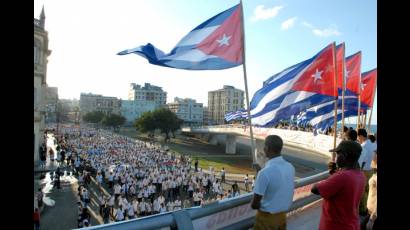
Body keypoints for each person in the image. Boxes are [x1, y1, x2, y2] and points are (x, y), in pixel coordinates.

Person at [311, 140, 366, 230]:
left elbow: (315, 189)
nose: (336, 158)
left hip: (336, 225)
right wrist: (337, 172)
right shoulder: (360, 175)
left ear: (344, 156)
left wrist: (335, 175)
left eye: (338, 154)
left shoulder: (342, 176)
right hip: (351, 224)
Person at [251, 135, 295, 230]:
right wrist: (261, 172)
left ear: (266, 148)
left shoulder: (264, 173)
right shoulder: (290, 167)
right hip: (282, 217)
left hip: (266, 219)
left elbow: (254, 204)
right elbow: (278, 183)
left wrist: (260, 174)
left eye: (264, 146)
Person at [357, 129, 376, 215]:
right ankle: (369, 208)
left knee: (363, 191)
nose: (358, 138)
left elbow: (361, 161)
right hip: (372, 169)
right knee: (369, 191)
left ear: (360, 136)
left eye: (358, 136)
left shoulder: (362, 146)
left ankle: (363, 209)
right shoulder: (374, 144)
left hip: (364, 170)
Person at [363, 150, 377, 230]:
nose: (372, 159)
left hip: (373, 216)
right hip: (371, 213)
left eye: (374, 157)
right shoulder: (375, 173)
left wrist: (372, 219)